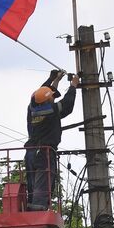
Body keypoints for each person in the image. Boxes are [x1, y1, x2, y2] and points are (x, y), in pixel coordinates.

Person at [23, 71, 78, 211]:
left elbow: (38, 95)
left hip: (30, 153)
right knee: (43, 184)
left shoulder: (31, 109)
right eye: (52, 97)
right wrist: (73, 85)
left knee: (32, 185)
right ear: (48, 100)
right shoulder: (52, 110)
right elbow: (67, 103)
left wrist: (53, 80)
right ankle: (38, 210)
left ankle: (31, 207)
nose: (54, 98)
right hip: (44, 153)